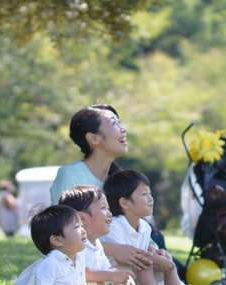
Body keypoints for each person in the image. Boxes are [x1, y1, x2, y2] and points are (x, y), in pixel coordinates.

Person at [49, 104, 175, 274]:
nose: (123, 129)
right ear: (93, 138)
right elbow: (59, 231)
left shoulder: (118, 178)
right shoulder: (71, 175)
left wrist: (152, 248)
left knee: (161, 254)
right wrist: (113, 249)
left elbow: (131, 222)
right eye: (114, 123)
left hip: (121, 261)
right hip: (81, 266)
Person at [58, 185, 163, 285]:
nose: (109, 213)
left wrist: (122, 277)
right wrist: (111, 275)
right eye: (103, 208)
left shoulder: (97, 244)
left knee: (115, 274)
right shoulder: (75, 247)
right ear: (82, 218)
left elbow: (108, 269)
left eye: (108, 208)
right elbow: (79, 273)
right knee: (102, 278)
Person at [101, 169, 200, 285]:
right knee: (146, 262)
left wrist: (158, 254)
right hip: (119, 279)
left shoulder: (144, 226)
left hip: (138, 274)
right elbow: (126, 258)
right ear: (125, 203)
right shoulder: (115, 226)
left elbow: (145, 249)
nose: (150, 198)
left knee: (163, 258)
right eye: (144, 194)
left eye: (150, 193)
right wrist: (154, 258)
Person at [28, 204, 119, 285]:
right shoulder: (50, 263)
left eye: (82, 225)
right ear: (56, 240)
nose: (83, 230)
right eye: (77, 227)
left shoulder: (79, 259)